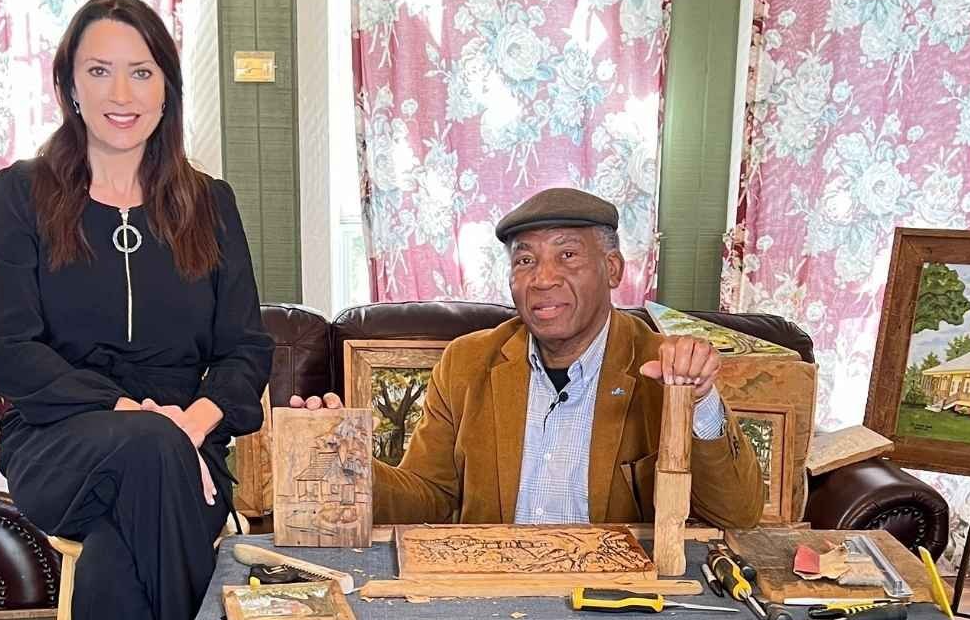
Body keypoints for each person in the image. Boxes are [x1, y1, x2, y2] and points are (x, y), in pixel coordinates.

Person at [0, 0, 273, 620]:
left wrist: (185, 426)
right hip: (63, 439)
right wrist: (133, 419)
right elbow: (16, 355)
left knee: (112, 580)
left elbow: (243, 357)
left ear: (166, 87)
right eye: (100, 69)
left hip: (181, 454)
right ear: (69, 82)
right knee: (146, 458)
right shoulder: (22, 196)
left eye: (141, 70)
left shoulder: (209, 203)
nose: (121, 90)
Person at [294, 188, 764, 530]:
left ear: (613, 268)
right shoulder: (468, 363)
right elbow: (427, 499)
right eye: (525, 261)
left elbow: (738, 515)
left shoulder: (662, 366)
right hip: (492, 593)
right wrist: (349, 461)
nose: (543, 279)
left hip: (617, 601)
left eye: (568, 255)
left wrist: (698, 403)